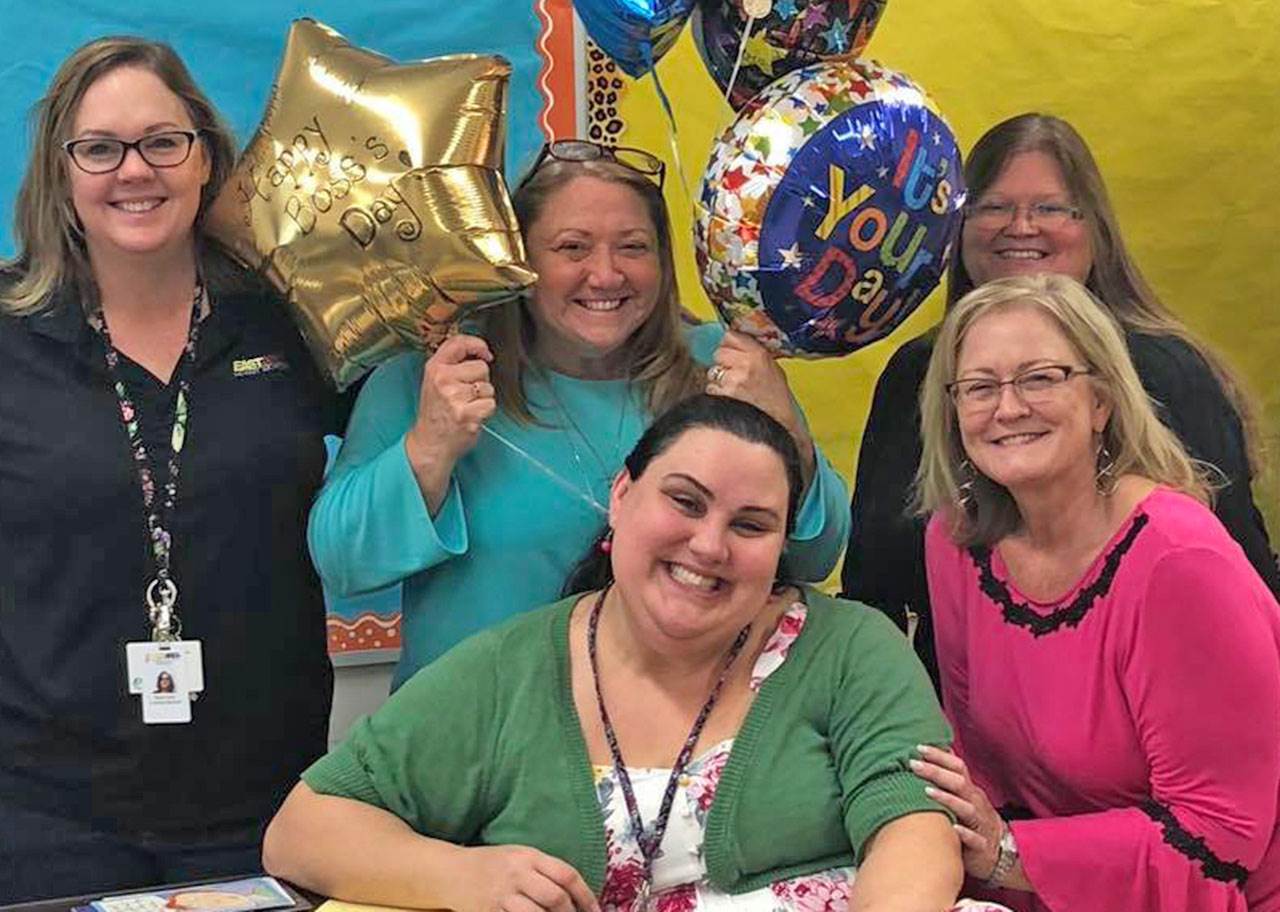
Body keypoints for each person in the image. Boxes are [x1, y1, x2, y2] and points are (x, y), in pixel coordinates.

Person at [266, 394, 964, 912]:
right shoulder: (510, 668)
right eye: (685, 503)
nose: (710, 545)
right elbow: (304, 830)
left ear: (782, 546)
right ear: (622, 497)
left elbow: (911, 826)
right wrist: (464, 875)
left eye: (750, 525)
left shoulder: (849, 648)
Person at [309, 140, 850, 688]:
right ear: (517, 260)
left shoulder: (722, 365)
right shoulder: (435, 373)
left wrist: (790, 431)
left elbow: (816, 556)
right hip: (472, 746)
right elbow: (342, 563)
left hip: (668, 743)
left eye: (633, 247)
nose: (607, 274)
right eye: (573, 248)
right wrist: (429, 447)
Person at [0, 38, 339, 899]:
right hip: (43, 809)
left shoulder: (292, 320)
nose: (133, 171)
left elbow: (440, 389)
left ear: (205, 158)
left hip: (271, 800)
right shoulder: (9, 334)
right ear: (62, 175)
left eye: (162, 141)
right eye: (99, 149)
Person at [841, 113, 1278, 686]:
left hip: (1145, 717)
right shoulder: (911, 376)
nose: (1020, 227)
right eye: (993, 207)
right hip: (956, 720)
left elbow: (1236, 584)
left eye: (1050, 208)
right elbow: (871, 586)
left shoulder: (1167, 373)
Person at [909, 274, 1280, 911]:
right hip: (1040, 885)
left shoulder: (1178, 560)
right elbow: (979, 767)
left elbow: (1217, 842)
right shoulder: (956, 539)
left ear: (1102, 402)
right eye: (979, 387)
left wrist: (1008, 853)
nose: (1007, 407)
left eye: (1040, 378)